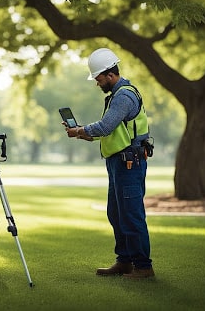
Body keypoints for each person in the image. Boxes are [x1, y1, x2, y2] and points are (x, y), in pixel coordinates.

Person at [63, 47, 155, 279]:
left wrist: (79, 131)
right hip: (119, 163)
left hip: (129, 164)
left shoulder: (123, 96)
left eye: (98, 78)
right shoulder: (117, 95)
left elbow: (104, 127)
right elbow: (110, 131)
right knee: (116, 214)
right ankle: (124, 262)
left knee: (132, 215)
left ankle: (143, 266)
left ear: (110, 74)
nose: (97, 83)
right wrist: (80, 132)